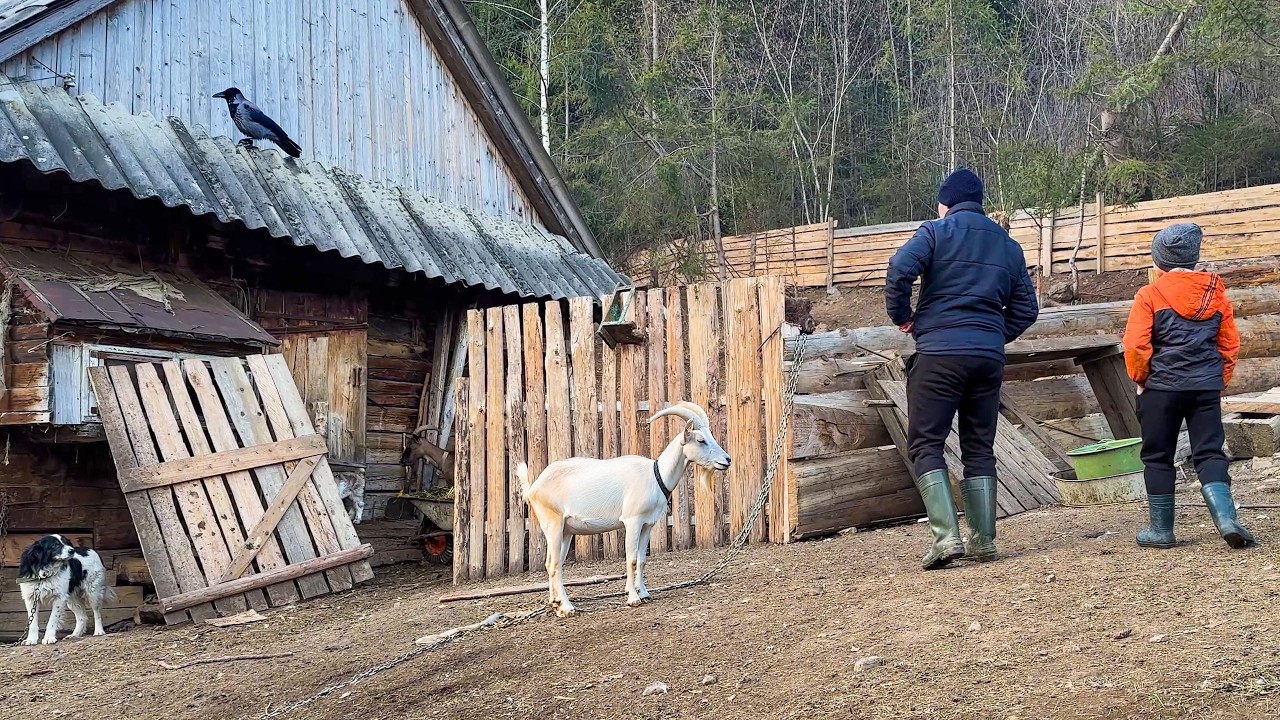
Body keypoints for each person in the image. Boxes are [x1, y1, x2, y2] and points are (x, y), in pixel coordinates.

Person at [885, 168, 1039, 570]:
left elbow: (900, 269)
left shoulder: (935, 232)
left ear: (944, 202)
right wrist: (990, 335)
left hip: (938, 354)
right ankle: (983, 541)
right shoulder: (1008, 245)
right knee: (978, 446)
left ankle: (946, 539)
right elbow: (1027, 309)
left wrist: (905, 319)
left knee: (925, 444)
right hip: (987, 359)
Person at [1122, 222, 1257, 550]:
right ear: (1194, 260)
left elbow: (1136, 346)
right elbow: (1230, 345)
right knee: (1209, 452)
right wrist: (1218, 382)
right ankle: (1226, 518)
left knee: (1157, 456)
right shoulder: (1216, 294)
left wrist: (1141, 380)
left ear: (1159, 263)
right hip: (1204, 387)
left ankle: (1161, 531)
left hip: (1160, 388)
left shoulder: (1149, 294)